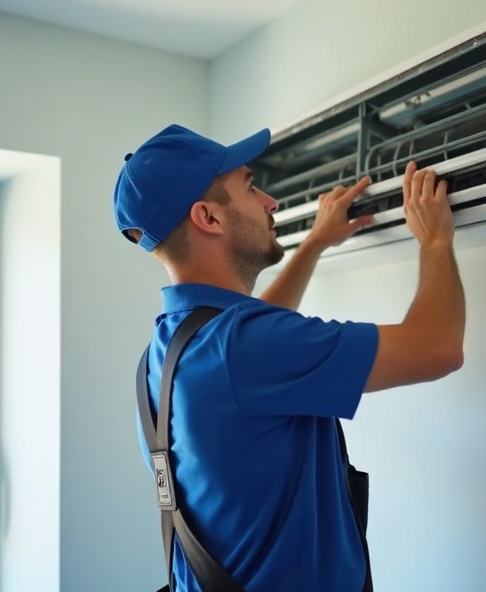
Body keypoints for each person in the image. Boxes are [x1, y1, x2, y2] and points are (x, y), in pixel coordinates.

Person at [113, 124, 466, 592]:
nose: (270, 202)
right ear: (209, 218)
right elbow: (436, 348)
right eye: (251, 187)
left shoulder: (169, 349)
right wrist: (435, 241)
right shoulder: (243, 345)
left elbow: (255, 339)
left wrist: (315, 243)